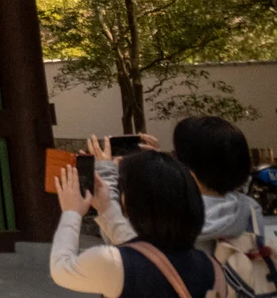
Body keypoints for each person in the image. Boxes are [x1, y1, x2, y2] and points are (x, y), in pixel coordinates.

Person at [51, 151, 224, 298]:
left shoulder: (112, 263)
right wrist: (106, 207)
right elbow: (148, 254)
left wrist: (71, 212)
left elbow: (61, 269)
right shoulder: (212, 266)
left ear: (135, 202)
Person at [92, 116, 261, 252]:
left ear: (191, 167)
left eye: (176, 155)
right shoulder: (249, 209)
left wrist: (107, 173)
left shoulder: (174, 216)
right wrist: (158, 166)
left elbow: (131, 248)